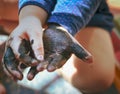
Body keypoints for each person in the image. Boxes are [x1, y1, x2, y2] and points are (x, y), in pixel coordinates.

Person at [2, 0, 116, 93]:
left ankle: (33, 31)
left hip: (80, 7)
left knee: (95, 78)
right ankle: (27, 29)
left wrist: (63, 23)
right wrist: (30, 17)